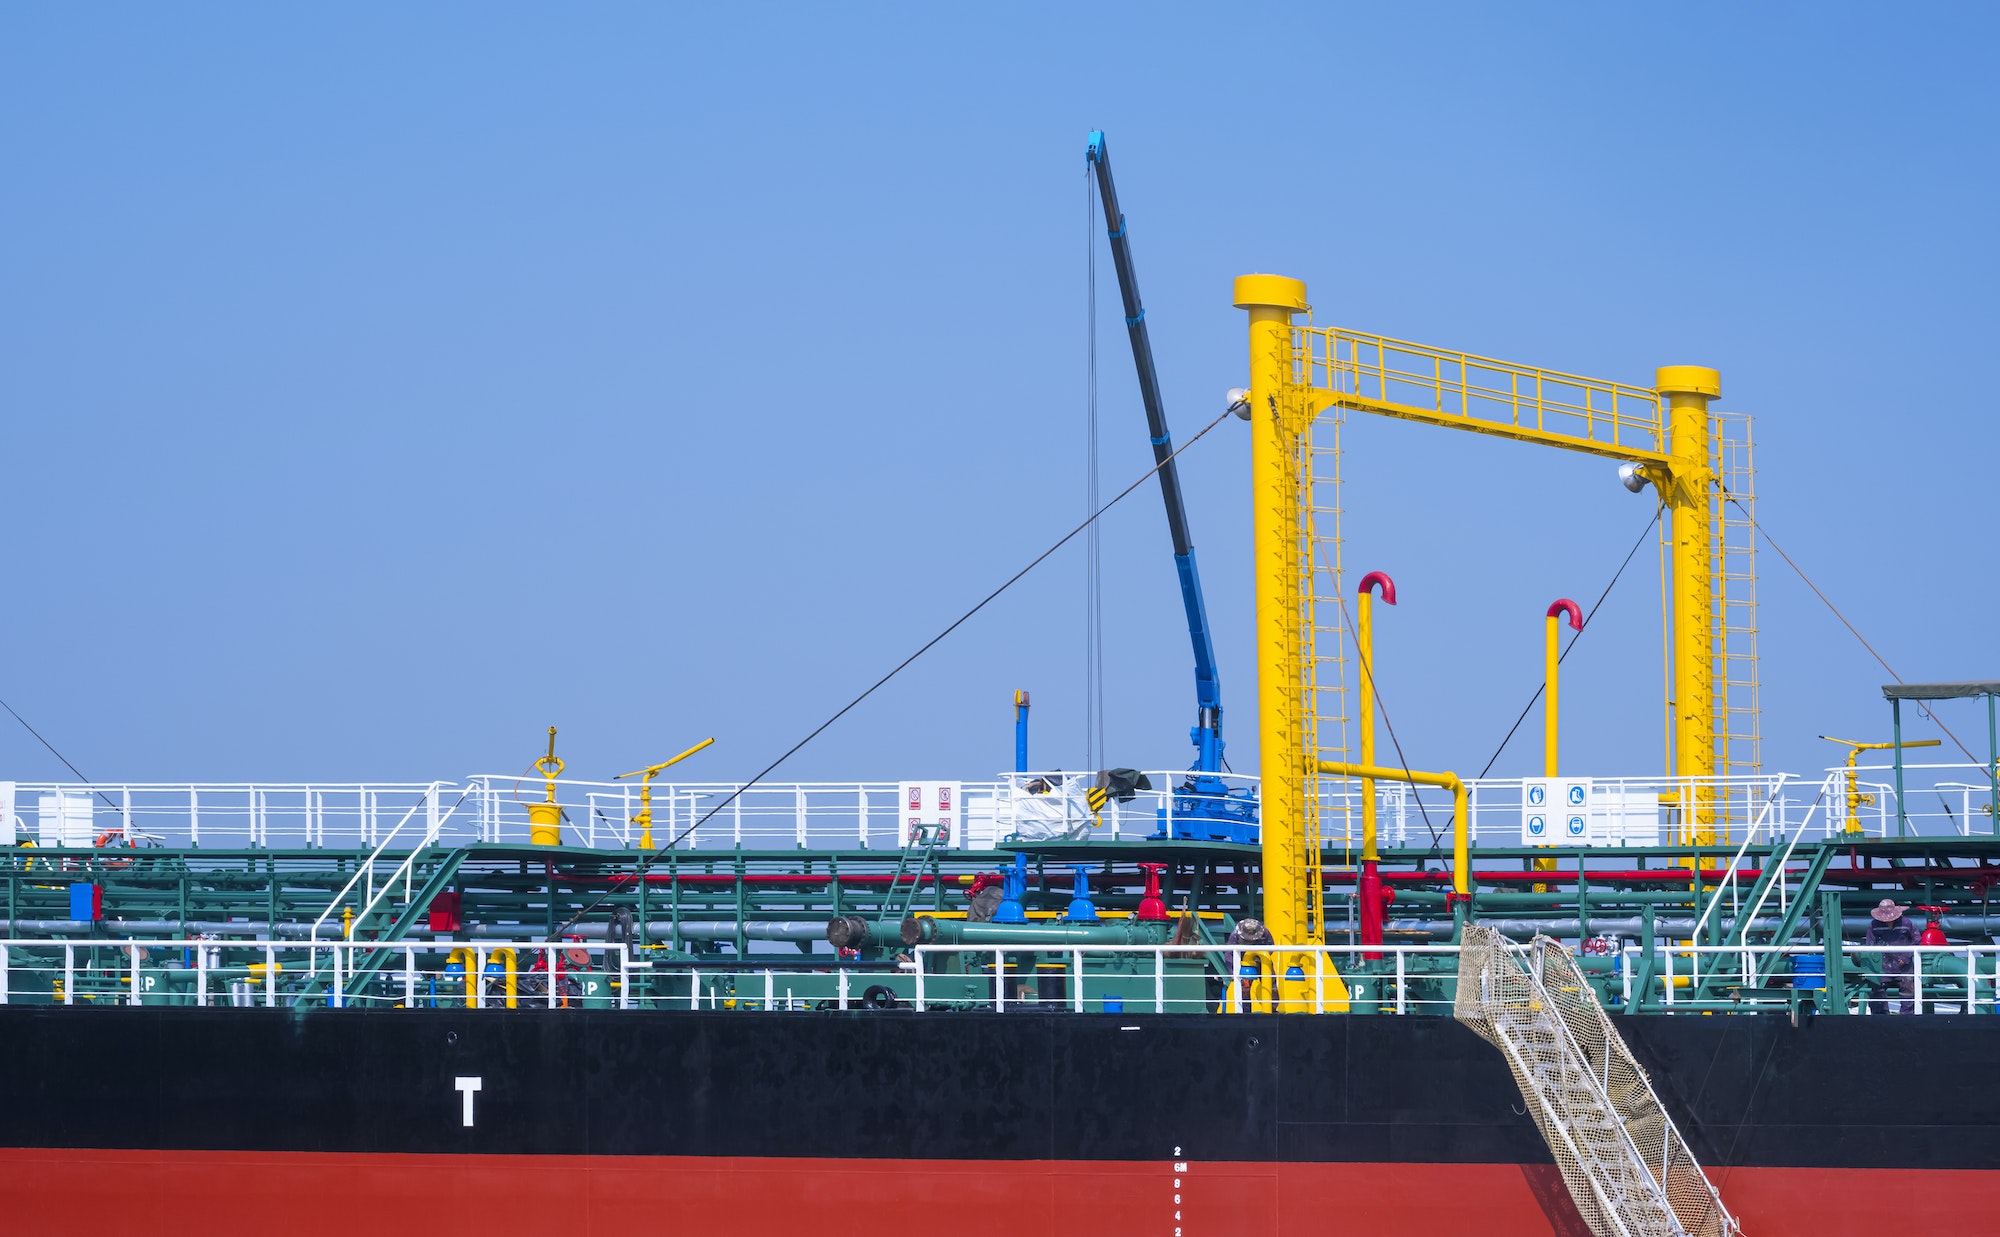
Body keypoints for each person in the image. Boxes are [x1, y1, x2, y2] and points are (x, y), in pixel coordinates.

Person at [1865, 898, 1919, 1014]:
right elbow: (1870, 945)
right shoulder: (1873, 925)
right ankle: (1881, 1019)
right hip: (1882, 966)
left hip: (1904, 966)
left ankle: (1907, 1019)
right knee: (1877, 990)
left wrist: (1906, 957)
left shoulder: (1906, 923)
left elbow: (1916, 939)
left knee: (1908, 992)